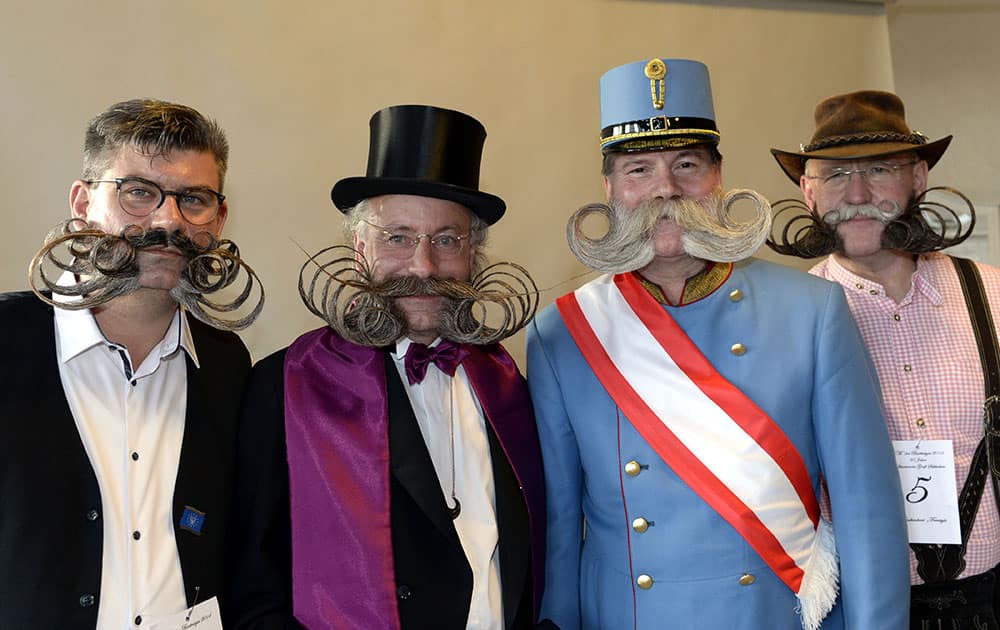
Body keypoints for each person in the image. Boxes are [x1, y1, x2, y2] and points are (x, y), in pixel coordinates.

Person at [527, 58, 910, 629]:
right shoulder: (562, 332)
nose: (665, 188)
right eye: (638, 170)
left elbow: (867, 509)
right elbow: (560, 525)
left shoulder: (813, 311)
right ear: (608, 188)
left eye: (687, 164)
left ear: (719, 177)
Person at [227, 104, 547, 629]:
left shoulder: (509, 386)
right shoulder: (285, 383)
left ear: (474, 255)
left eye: (446, 240)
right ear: (358, 249)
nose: (423, 266)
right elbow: (251, 582)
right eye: (397, 238)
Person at [0, 99, 260, 628]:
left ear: (220, 218)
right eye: (138, 192)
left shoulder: (228, 365)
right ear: (82, 201)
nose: (169, 219)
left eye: (195, 199)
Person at [770, 90, 1000, 628]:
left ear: (918, 178)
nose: (856, 193)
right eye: (833, 176)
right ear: (807, 190)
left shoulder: (993, 294)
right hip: (858, 604)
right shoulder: (785, 324)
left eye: (880, 169)